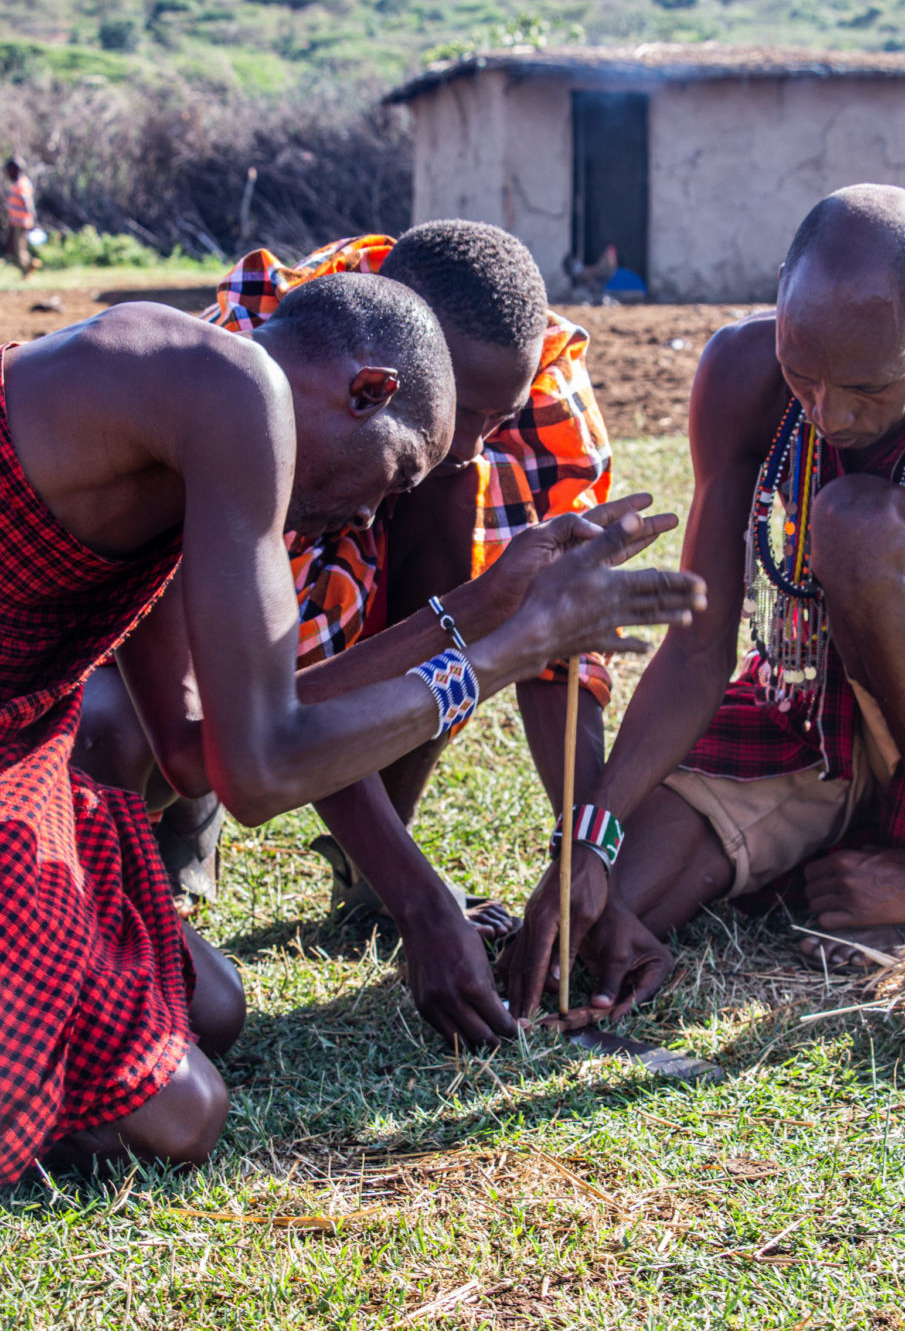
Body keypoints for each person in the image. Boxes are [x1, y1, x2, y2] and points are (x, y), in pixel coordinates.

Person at [3, 271, 703, 1178]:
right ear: (371, 390)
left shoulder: (194, 416)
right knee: (181, 1120)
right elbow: (256, 778)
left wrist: (485, 608)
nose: (375, 513)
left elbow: (193, 750)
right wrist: (500, 656)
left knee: (212, 1010)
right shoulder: (232, 391)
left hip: (21, 747)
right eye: (399, 473)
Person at [504, 182, 905, 1022]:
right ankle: (850, 841)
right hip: (808, 708)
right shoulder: (741, 373)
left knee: (857, 523)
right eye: (804, 373)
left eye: (865, 388)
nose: (825, 413)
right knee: (599, 921)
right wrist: (592, 842)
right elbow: (697, 648)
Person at [180, 222, 615, 1043]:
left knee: (452, 487)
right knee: (167, 750)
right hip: (196, 662)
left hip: (281, 677)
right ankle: (174, 822)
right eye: (470, 412)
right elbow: (275, 717)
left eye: (501, 413)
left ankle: (372, 860)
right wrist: (421, 905)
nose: (478, 439)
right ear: (376, 382)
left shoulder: (526, 364)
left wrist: (584, 850)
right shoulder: (264, 368)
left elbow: (565, 638)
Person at [3, 155, 40, 277]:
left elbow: (28, 203)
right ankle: (29, 264)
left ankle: (27, 269)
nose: (7, 173)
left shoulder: (21, 184)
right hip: (16, 221)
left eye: (8, 170)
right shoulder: (18, 183)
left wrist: (34, 220)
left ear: (15, 170)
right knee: (13, 248)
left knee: (17, 249)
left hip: (21, 222)